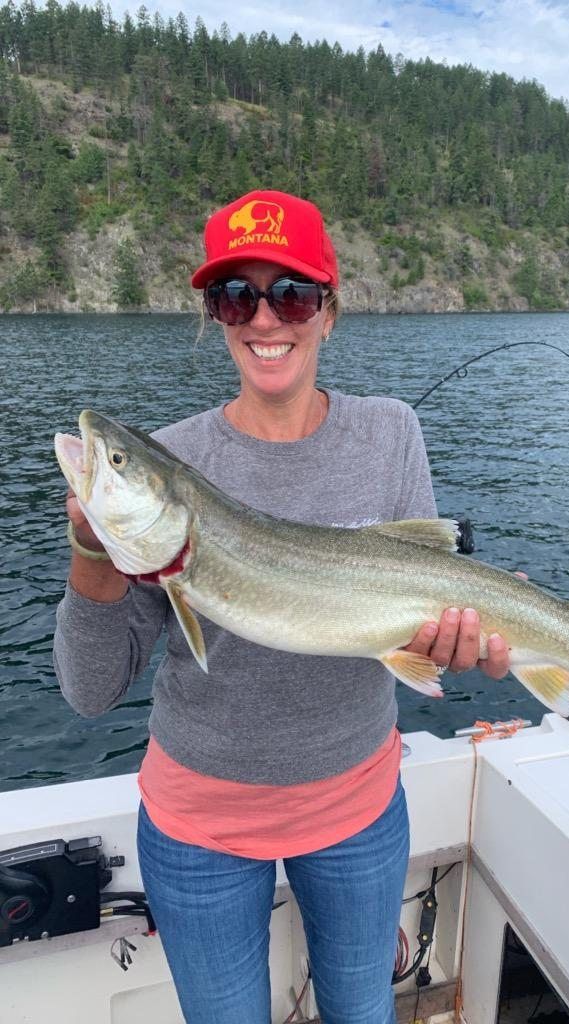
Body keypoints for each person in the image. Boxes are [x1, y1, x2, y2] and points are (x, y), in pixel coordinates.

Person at [54, 188, 511, 1024]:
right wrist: (93, 548)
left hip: (359, 804)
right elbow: (91, 690)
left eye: (292, 293)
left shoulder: (390, 432)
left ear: (329, 312)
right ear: (215, 319)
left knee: (363, 1013)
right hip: (198, 823)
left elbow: (423, 611)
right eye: (236, 295)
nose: (266, 319)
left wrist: (451, 646)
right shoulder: (179, 457)